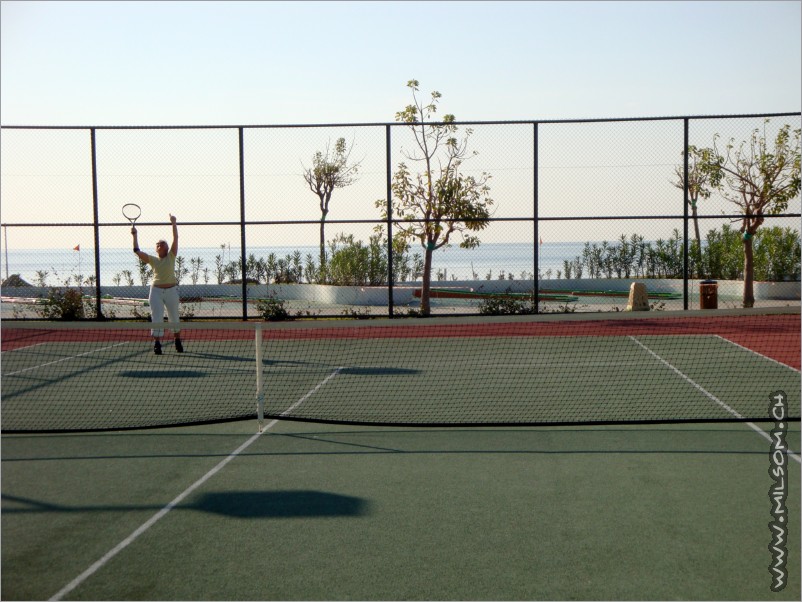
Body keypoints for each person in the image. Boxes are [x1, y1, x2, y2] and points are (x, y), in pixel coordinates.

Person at [131, 214, 183, 355]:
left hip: (172, 291)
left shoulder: (171, 256)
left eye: (162, 243)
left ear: (167, 248)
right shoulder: (152, 260)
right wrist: (134, 235)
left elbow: (176, 238)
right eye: (157, 244)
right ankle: (157, 344)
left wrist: (173, 222)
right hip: (156, 292)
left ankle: (177, 341)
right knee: (157, 317)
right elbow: (136, 251)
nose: (159, 245)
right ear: (156, 249)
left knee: (174, 317)